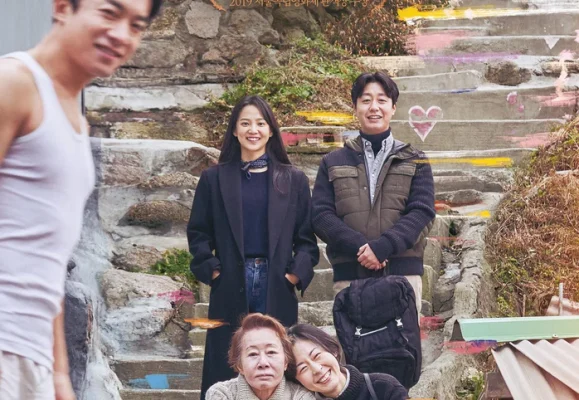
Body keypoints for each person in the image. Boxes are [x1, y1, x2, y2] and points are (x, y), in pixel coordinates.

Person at [0, 1, 163, 398]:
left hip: (31, 354)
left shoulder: (74, 119)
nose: (122, 35)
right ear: (62, 7)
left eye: (136, 25)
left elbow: (48, 261)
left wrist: (59, 374)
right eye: (109, 13)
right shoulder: (14, 83)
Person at [187, 95, 319, 399]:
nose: (253, 130)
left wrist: (293, 276)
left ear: (271, 130)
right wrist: (214, 272)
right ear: (235, 130)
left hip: (276, 282)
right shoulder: (213, 179)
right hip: (231, 280)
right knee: (227, 360)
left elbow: (306, 240)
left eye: (260, 123)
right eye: (245, 123)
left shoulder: (293, 179)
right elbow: (198, 233)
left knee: (275, 359)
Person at [311, 71, 436, 315]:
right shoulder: (333, 161)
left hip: (403, 277)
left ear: (393, 107)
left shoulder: (415, 160)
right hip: (350, 278)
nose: (374, 107)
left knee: (403, 340)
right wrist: (360, 247)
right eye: (366, 100)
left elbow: (422, 212)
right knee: (352, 341)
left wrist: (383, 247)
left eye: (382, 100)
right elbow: (320, 215)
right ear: (355, 107)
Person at [206, 314, 315, 400]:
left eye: (271, 352)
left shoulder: (300, 396)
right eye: (253, 354)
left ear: (285, 362)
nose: (263, 363)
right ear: (240, 366)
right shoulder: (221, 393)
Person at [287, 324, 408, 400]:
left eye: (316, 355)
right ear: (297, 380)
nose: (317, 369)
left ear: (333, 350)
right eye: (303, 368)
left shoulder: (384, 386)